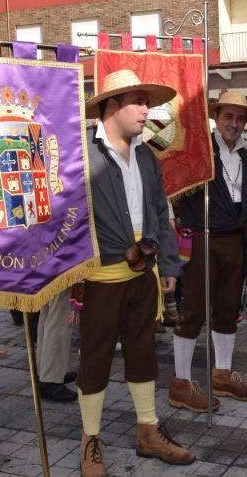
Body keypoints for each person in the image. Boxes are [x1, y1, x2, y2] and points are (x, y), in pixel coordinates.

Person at [79, 69, 195, 473]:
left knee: (143, 352)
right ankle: (90, 440)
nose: (148, 111)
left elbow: (161, 211)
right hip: (101, 276)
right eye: (139, 103)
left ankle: (148, 431)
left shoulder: (145, 153)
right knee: (94, 357)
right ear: (112, 106)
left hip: (143, 275)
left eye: (147, 102)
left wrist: (168, 262)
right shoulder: (82, 154)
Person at [172, 91, 247, 413]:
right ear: (216, 117)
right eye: (229, 117)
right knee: (194, 310)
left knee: (227, 309)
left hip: (235, 242)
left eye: (240, 118)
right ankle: (181, 382)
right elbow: (176, 185)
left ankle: (222, 374)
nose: (234, 124)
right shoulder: (199, 151)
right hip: (202, 240)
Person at [36, 288, 77, 402]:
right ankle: (51, 378)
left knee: (48, 313)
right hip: (59, 272)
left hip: (46, 271)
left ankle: (45, 370)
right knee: (59, 318)